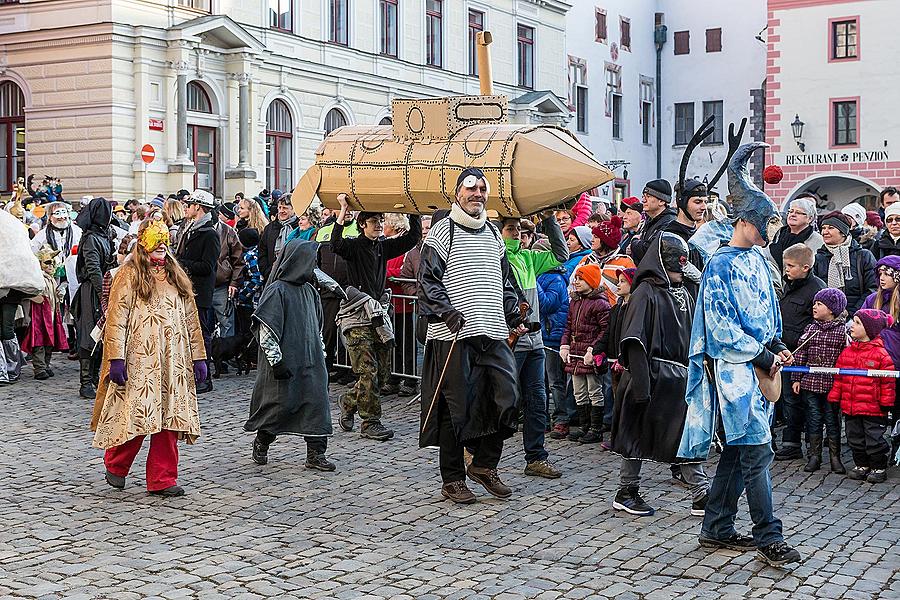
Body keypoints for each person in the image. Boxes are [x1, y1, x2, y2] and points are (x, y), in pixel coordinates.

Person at [679, 142, 801, 568]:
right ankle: (770, 535)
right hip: (734, 373)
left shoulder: (760, 261)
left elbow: (770, 312)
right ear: (746, 219)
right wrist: (761, 354)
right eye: (767, 219)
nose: (773, 226)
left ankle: (715, 526)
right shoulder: (721, 265)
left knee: (740, 449)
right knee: (757, 451)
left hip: (760, 370)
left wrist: (779, 343)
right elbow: (720, 326)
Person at [418, 167, 524, 504]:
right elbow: (428, 283)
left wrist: (515, 308)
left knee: (507, 400)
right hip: (454, 336)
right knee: (455, 410)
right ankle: (452, 479)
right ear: (457, 193)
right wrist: (448, 313)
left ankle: (483, 465)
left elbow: (505, 281)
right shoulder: (442, 232)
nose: (477, 194)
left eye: (482, 188)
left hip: (492, 333)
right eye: (470, 188)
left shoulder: (493, 232)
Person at [90, 219, 208, 497]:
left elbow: (191, 318)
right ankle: (116, 465)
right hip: (140, 359)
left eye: (165, 245)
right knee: (139, 415)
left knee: (170, 418)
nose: (161, 251)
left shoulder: (176, 275)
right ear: (143, 245)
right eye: (156, 245)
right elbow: (117, 318)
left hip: (173, 361)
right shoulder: (129, 274)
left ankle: (163, 479)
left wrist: (198, 356)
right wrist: (116, 358)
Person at [611, 233, 708, 517]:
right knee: (637, 434)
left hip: (678, 377)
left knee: (682, 434)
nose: (681, 272)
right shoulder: (645, 292)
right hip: (650, 375)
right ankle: (627, 489)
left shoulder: (683, 293)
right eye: (676, 266)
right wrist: (642, 385)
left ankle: (700, 492)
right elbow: (634, 339)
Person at [332, 194, 422, 441]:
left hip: (378, 317)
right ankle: (371, 422)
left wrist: (412, 210)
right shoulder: (354, 246)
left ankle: (349, 401)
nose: (379, 225)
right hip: (357, 315)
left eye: (381, 220)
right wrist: (343, 211)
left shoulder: (382, 247)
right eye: (374, 221)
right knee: (367, 371)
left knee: (381, 373)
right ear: (362, 224)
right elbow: (335, 244)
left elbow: (412, 238)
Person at [245, 238, 335, 471]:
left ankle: (316, 453)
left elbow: (316, 328)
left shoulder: (310, 292)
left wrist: (321, 353)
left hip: (310, 360)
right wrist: (276, 361)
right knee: (278, 407)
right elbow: (266, 327)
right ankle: (262, 442)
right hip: (285, 361)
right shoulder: (277, 291)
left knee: (317, 404)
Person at [500, 212, 569, 478]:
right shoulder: (498, 258)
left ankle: (536, 457)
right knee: (504, 401)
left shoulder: (528, 258)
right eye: (510, 229)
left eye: (518, 228)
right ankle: (482, 454)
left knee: (537, 401)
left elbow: (560, 254)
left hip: (534, 343)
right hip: (510, 342)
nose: (516, 233)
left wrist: (550, 220)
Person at [829, 309, 895, 484]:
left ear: (869, 329)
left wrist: (886, 402)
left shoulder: (881, 355)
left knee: (874, 438)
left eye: (858, 323)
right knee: (854, 437)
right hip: (851, 406)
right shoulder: (847, 353)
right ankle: (861, 464)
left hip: (873, 407)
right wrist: (835, 396)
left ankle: (878, 466)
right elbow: (839, 377)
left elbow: (887, 382)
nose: (852, 326)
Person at [774, 243, 826, 462]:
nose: (786, 270)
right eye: (785, 266)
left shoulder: (816, 288)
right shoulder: (788, 285)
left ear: (805, 267)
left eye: (791, 266)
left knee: (799, 400)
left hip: (801, 354)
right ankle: (791, 442)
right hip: (783, 351)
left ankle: (801, 444)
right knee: (786, 400)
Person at [790, 288, 848, 473]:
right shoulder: (810, 329)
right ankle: (814, 455)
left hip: (832, 385)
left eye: (819, 304)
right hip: (811, 384)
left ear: (831, 309)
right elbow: (801, 354)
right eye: (814, 303)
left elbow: (845, 359)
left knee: (832, 421)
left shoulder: (842, 332)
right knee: (813, 419)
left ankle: (834, 456)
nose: (814, 307)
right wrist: (796, 377)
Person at [174, 189, 221, 394]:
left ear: (198, 208)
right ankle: (192, 374)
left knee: (201, 335)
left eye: (189, 204)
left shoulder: (209, 234)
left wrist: (181, 264)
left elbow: (208, 267)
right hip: (187, 290)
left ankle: (204, 378)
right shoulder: (191, 228)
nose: (186, 207)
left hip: (200, 293)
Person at [559, 264, 610, 444]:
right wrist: (564, 345)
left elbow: (605, 331)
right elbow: (568, 325)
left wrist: (593, 349)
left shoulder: (600, 304)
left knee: (594, 391)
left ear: (591, 281)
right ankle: (584, 426)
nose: (576, 282)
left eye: (581, 279)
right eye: (577, 278)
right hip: (575, 354)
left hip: (588, 355)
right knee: (579, 392)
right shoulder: (575, 302)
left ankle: (596, 428)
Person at [73, 197, 117, 399]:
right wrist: (103, 293)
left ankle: (96, 378)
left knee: (101, 334)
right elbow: (93, 269)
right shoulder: (91, 238)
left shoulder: (103, 234)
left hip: (103, 288)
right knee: (89, 333)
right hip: (92, 291)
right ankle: (85, 382)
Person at [537, 246, 573, 440]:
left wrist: (533, 282)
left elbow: (547, 304)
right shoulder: (543, 276)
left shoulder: (556, 279)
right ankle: (542, 420)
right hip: (540, 334)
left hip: (552, 336)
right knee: (539, 382)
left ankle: (561, 418)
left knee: (554, 381)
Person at [861, 255, 900, 428]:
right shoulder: (871, 300)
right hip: (873, 363)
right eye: (880, 273)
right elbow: (859, 322)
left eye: (887, 273)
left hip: (896, 364)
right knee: (875, 410)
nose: (882, 278)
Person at [813, 211, 876, 317]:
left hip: (857, 319)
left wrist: (852, 313)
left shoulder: (863, 256)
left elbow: (873, 289)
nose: (825, 232)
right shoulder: (818, 258)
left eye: (830, 228)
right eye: (823, 228)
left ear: (843, 232)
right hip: (825, 317)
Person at [22, 246, 68, 380]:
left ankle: (46, 365)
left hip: (52, 314)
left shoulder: (51, 278)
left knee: (50, 341)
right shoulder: (37, 278)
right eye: (47, 262)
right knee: (39, 341)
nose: (51, 265)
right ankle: (39, 368)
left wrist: (59, 294)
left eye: (53, 262)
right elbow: (27, 293)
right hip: (39, 316)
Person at [766, 195, 823, 272]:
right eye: (790, 211)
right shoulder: (776, 235)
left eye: (798, 212)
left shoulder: (818, 241)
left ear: (810, 218)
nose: (792, 214)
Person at [211, 214, 244, 340]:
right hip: (201, 284)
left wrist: (234, 283)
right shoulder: (192, 228)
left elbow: (238, 261)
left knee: (226, 322)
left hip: (222, 284)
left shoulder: (228, 232)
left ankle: (226, 356)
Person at [630, 179, 675, 263]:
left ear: (661, 201)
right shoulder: (650, 220)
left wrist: (634, 242)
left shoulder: (669, 223)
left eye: (648, 196)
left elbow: (649, 251)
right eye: (643, 196)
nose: (643, 200)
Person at [258, 195, 298, 281]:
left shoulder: (299, 227)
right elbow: (262, 251)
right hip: (272, 276)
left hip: (294, 277)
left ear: (294, 209)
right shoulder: (270, 228)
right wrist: (267, 272)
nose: (281, 211)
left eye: (285, 208)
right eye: (279, 207)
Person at [234, 228, 263, 340]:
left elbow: (257, 278)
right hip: (248, 301)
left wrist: (242, 295)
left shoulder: (250, 256)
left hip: (249, 302)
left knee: (248, 331)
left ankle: (249, 355)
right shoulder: (255, 252)